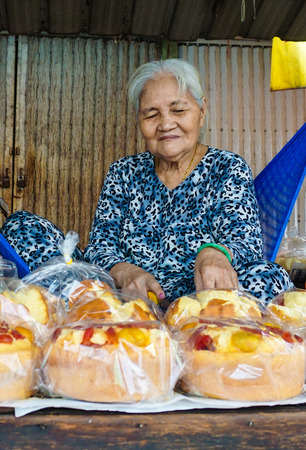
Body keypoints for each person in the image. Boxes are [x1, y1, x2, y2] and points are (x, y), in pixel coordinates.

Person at [1, 59, 293, 305]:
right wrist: (123, 270)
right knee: (21, 226)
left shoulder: (227, 167)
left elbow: (247, 242)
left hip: (200, 300)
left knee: (269, 277)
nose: (166, 124)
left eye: (178, 110)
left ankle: (190, 331)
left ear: (201, 111)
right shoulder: (124, 172)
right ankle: (100, 315)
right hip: (120, 298)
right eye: (152, 114)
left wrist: (214, 252)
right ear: (140, 122)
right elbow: (100, 248)